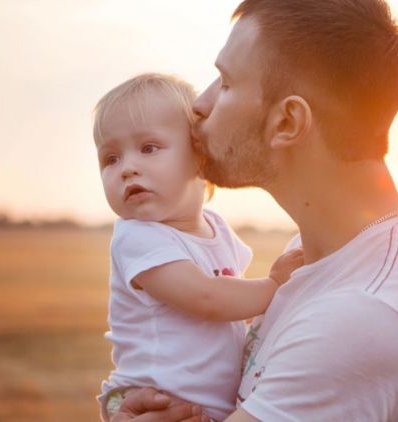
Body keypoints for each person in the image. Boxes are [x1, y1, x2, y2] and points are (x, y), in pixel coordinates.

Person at [112, 0, 398, 421]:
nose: (200, 104)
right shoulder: (319, 252)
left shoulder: (362, 316)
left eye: (226, 83)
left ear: (287, 122)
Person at [93, 73, 304, 422]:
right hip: (154, 402)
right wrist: (274, 287)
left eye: (148, 148)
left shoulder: (217, 230)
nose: (127, 168)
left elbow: (234, 305)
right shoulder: (138, 236)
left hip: (203, 406)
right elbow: (206, 298)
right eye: (110, 158)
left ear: (200, 157)